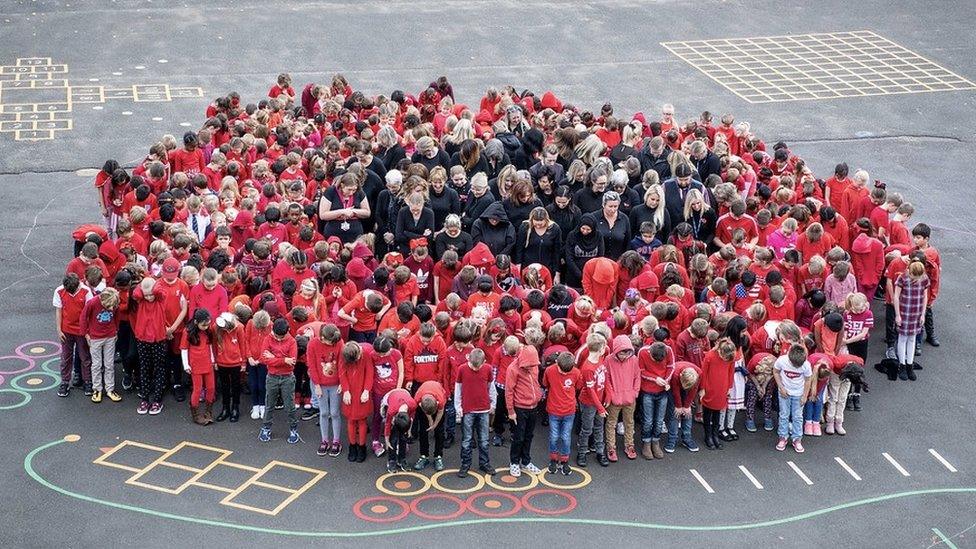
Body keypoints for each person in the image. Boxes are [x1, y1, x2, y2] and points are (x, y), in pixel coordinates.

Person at [455, 348, 496, 477]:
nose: (475, 369)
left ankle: (484, 463)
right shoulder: (462, 369)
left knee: (484, 440)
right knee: (467, 440)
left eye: (478, 366)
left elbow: (491, 388)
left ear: (484, 362)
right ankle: (465, 464)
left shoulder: (488, 369)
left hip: (484, 409)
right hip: (468, 410)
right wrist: (458, 408)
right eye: (472, 366)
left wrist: (493, 404)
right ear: (468, 359)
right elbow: (458, 390)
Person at [258, 318, 300, 444]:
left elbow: (292, 364)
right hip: (272, 377)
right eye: (277, 336)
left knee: (289, 406)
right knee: (269, 404)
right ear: (272, 331)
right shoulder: (267, 339)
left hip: (287, 377)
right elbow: (263, 359)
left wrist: (274, 358)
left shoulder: (292, 341)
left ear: (288, 331)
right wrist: (283, 360)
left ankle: (293, 429)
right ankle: (266, 428)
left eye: (282, 337)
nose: (279, 339)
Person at [132, 277, 169, 415]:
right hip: (142, 338)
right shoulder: (141, 299)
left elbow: (160, 292)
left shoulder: (159, 298)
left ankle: (157, 400)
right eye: (146, 295)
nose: (148, 297)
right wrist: (143, 287)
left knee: (159, 368)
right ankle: (145, 398)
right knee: (145, 368)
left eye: (150, 294)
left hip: (158, 338)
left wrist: (154, 286)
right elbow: (135, 294)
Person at [505, 345, 543, 477]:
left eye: (533, 365)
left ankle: (526, 461)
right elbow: (509, 391)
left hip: (533, 407)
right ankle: (514, 462)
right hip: (520, 408)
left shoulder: (534, 366)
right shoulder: (512, 369)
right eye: (529, 365)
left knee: (528, 436)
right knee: (518, 437)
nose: (531, 367)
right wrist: (511, 411)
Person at [307, 323, 344, 457]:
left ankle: (336, 441)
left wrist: (342, 382)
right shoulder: (312, 344)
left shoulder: (339, 343)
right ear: (322, 337)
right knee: (323, 413)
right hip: (321, 385)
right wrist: (316, 385)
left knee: (334, 413)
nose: (330, 345)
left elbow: (342, 364)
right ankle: (324, 440)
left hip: (335, 384)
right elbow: (312, 366)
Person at [81, 287, 121, 403]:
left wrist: (116, 330)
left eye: (113, 307)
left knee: (109, 364)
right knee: (96, 364)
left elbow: (117, 316)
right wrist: (86, 334)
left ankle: (110, 389)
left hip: (110, 336)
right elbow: (83, 317)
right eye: (108, 307)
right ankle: (97, 389)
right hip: (95, 338)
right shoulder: (92, 302)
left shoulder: (114, 302)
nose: (111, 309)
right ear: (103, 300)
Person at [543, 352, 580, 475]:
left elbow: (579, 385)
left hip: (569, 411)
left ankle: (565, 460)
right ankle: (553, 459)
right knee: (554, 436)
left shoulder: (576, 372)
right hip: (554, 410)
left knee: (565, 437)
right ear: (557, 363)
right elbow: (545, 383)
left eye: (567, 372)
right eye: (562, 370)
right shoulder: (549, 371)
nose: (564, 374)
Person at [603, 334, 639, 463]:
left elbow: (637, 377)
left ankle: (629, 445)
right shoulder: (608, 360)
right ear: (616, 350)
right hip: (615, 399)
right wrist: (611, 394)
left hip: (630, 399)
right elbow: (606, 379)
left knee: (629, 423)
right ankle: (611, 447)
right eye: (621, 353)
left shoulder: (634, 359)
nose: (624, 356)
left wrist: (635, 392)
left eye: (627, 353)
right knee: (611, 424)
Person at [576, 334, 609, 467]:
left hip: (599, 401)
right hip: (589, 403)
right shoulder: (588, 368)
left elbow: (605, 378)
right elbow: (590, 392)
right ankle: (582, 452)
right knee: (587, 429)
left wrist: (608, 395)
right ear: (600, 348)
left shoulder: (601, 359)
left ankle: (600, 451)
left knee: (599, 427)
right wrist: (600, 408)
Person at [893, 258, 929, 380]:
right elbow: (896, 296)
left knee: (912, 339)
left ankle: (910, 364)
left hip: (917, 313)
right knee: (902, 339)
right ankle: (902, 365)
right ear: (909, 271)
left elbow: (925, 297)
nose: (916, 279)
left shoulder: (924, 279)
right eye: (914, 276)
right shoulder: (902, 278)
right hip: (904, 312)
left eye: (918, 277)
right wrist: (897, 315)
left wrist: (923, 314)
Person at [339, 341, 375, 462]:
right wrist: (346, 390)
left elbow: (370, 373)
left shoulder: (366, 354)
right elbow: (342, 373)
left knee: (362, 420)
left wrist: (366, 390)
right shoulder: (345, 354)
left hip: (361, 390)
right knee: (351, 420)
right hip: (350, 391)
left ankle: (362, 447)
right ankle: (352, 446)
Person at [773, 344, 813, 453]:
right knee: (784, 414)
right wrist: (781, 387)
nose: (796, 367)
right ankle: (783, 437)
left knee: (798, 416)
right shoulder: (782, 360)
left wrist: (805, 396)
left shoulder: (806, 365)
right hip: (784, 392)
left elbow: (808, 380)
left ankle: (797, 439)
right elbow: (776, 372)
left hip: (799, 393)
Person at [638, 342, 674, 460]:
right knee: (648, 420)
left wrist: (666, 380)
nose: (657, 362)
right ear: (650, 352)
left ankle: (655, 442)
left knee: (659, 421)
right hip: (647, 391)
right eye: (655, 360)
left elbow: (671, 367)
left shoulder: (668, 350)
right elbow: (641, 371)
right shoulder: (643, 352)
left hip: (662, 391)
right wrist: (655, 378)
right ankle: (646, 443)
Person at [181, 309, 217, 425]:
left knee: (211, 388)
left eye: (208, 324)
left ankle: (208, 411)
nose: (206, 327)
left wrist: (212, 359)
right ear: (196, 322)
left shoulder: (208, 330)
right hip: (195, 365)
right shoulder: (187, 332)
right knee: (197, 389)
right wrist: (186, 365)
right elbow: (184, 349)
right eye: (204, 325)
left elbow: (210, 345)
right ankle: (195, 413)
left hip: (207, 363)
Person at [699, 338, 736, 450]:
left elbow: (731, 372)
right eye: (724, 356)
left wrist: (729, 387)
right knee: (707, 412)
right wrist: (703, 388)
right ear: (720, 350)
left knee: (718, 412)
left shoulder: (731, 357)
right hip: (710, 387)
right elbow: (704, 373)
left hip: (722, 387)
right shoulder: (710, 355)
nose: (725, 359)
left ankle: (715, 435)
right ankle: (708, 436)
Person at [213, 312, 247, 422]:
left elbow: (243, 345)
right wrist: (215, 361)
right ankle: (225, 408)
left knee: (236, 386)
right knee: (224, 386)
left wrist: (243, 363)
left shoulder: (240, 327)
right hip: (221, 362)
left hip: (236, 363)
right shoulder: (216, 327)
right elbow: (214, 345)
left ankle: (235, 407)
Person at [514, 207, 562, 278]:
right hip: (528, 267)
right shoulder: (525, 227)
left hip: (547, 268)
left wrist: (557, 274)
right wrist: (518, 268)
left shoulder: (554, 229)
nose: (538, 226)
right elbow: (519, 249)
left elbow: (557, 252)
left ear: (546, 220)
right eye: (536, 224)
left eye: (541, 224)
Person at [413, 380, 447, 472]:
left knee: (439, 432)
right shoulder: (417, 399)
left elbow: (440, 412)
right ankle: (424, 456)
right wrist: (430, 420)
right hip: (424, 399)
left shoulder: (440, 399)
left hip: (436, 392)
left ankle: (438, 456)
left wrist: (435, 424)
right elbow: (425, 410)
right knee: (423, 431)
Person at [667, 362, 701, 453]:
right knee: (675, 413)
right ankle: (672, 439)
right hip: (674, 387)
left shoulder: (698, 374)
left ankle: (687, 439)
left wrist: (687, 406)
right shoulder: (675, 374)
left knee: (687, 413)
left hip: (688, 386)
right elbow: (675, 391)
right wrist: (678, 406)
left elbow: (693, 391)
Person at [381, 387, 416, 472]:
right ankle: (391, 460)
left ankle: (402, 459)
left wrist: (409, 431)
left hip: (404, 395)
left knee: (403, 437)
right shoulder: (391, 411)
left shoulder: (413, 404)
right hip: (390, 397)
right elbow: (387, 424)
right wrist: (387, 441)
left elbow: (411, 417)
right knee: (393, 438)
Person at [595, 191, 632, 259]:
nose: (613, 209)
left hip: (618, 261)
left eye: (615, 206)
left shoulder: (624, 219)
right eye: (610, 206)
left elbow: (628, 242)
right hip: (598, 260)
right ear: (603, 205)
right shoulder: (594, 217)